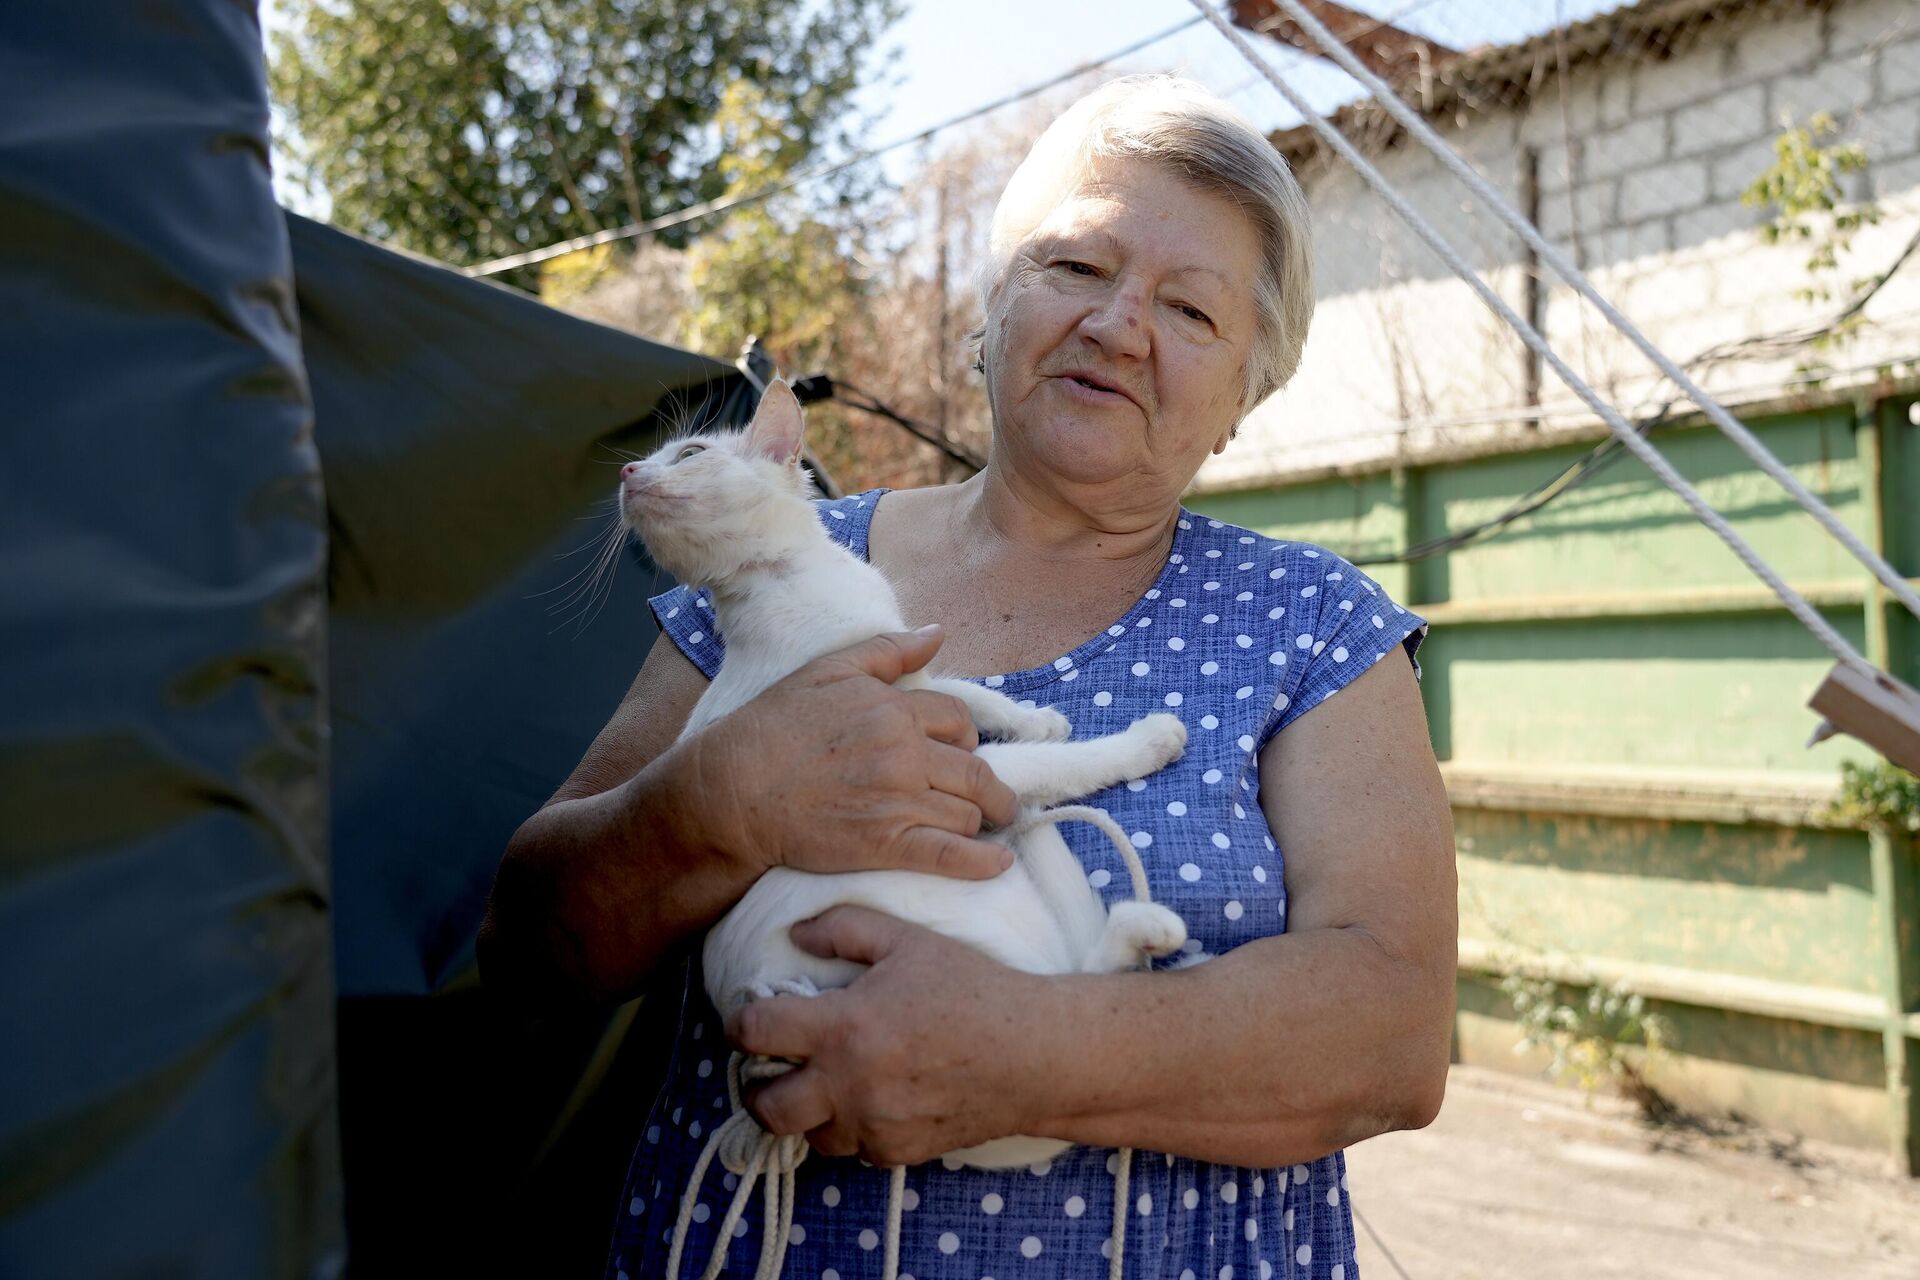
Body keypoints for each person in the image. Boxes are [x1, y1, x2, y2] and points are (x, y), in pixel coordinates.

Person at [481, 74, 1456, 1280]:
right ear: (996, 300)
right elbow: (527, 945)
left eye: (1192, 311)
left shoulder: (1308, 622)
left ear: (1243, 395)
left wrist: (1032, 1050)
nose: (1119, 325)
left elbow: (1396, 1034)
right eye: (1079, 268)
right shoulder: (773, 559)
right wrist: (711, 803)